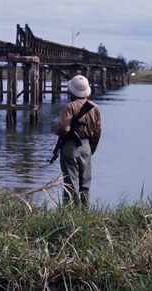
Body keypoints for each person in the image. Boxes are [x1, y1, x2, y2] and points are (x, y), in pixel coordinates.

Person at [55, 75, 101, 208]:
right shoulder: (95, 108)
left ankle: (71, 213)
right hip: (87, 147)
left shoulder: (70, 107)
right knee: (85, 183)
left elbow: (65, 128)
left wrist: (56, 130)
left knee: (70, 183)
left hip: (71, 146)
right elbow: (98, 132)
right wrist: (91, 149)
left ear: (72, 91)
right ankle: (84, 211)